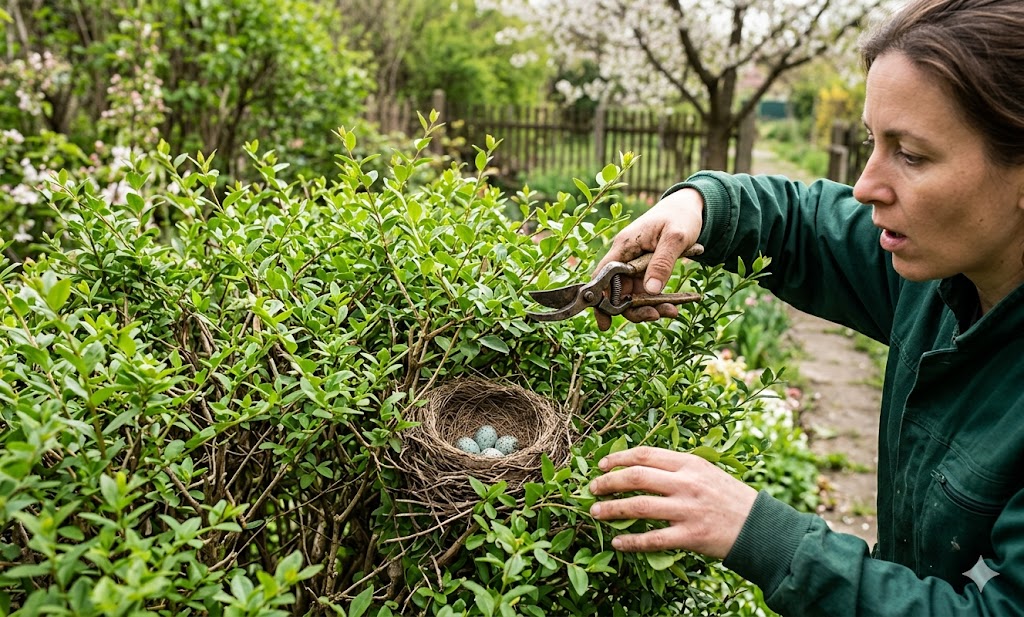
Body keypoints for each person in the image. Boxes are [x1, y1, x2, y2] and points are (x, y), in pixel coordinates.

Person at [585, 0, 1024, 613]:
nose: (867, 186)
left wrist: (759, 531)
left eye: (912, 155)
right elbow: (806, 223)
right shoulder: (947, 275)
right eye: (873, 142)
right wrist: (701, 207)